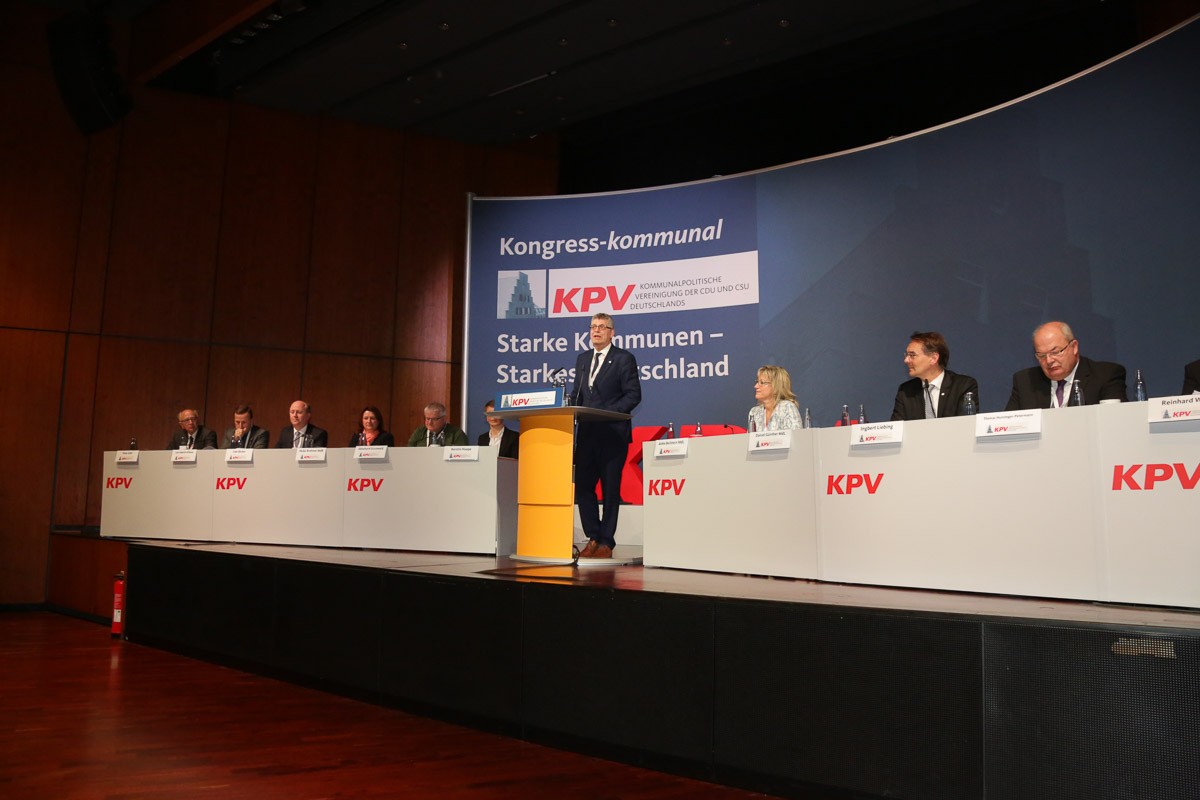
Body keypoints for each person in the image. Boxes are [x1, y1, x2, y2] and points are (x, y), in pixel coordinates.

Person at [570, 312, 641, 559]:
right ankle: (593, 537)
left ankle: (606, 542)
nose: (596, 331)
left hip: (612, 434)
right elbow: (578, 394)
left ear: (612, 332)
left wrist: (608, 412)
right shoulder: (582, 359)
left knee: (611, 490)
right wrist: (568, 406)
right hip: (587, 434)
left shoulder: (623, 358)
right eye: (593, 327)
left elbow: (633, 395)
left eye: (602, 327)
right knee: (583, 488)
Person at [1005, 321, 1127, 410]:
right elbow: (1008, 427)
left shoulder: (1106, 376)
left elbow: (1116, 422)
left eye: (1055, 352)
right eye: (1041, 355)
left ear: (1074, 347)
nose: (1049, 361)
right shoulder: (1025, 381)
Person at [890, 331, 980, 420]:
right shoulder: (905, 391)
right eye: (906, 355)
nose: (906, 360)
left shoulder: (963, 386)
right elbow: (897, 427)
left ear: (933, 358)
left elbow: (967, 424)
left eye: (912, 355)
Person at [748, 365, 802, 431]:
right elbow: (750, 437)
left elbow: (796, 436)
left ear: (776, 385)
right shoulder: (754, 412)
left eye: (762, 382)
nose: (755, 386)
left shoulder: (787, 407)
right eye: (757, 382)